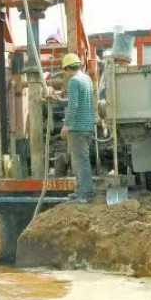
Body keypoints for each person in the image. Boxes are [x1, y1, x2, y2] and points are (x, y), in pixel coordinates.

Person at [60, 53, 95, 203]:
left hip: (77, 128)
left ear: (67, 68)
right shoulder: (87, 79)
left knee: (80, 161)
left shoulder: (73, 81)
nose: (65, 74)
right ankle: (81, 190)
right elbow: (82, 100)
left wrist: (66, 125)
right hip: (87, 126)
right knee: (81, 160)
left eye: (65, 71)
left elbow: (73, 105)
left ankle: (84, 194)